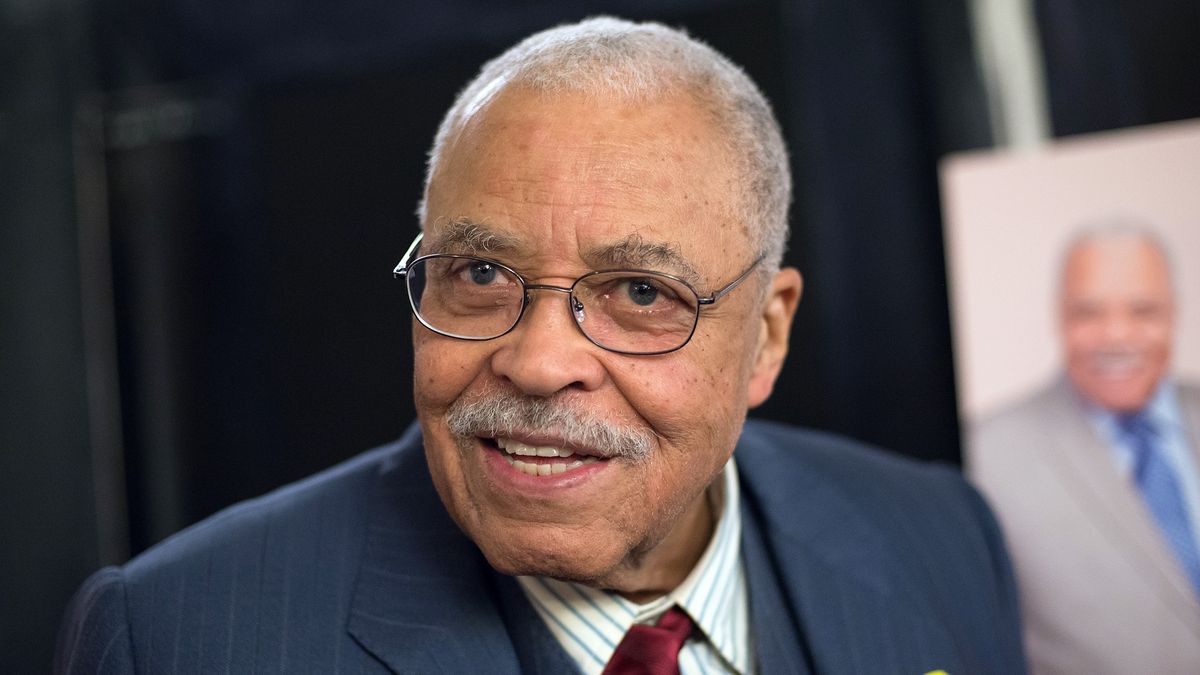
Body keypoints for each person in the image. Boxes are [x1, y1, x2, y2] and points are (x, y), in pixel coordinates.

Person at [57, 17, 1025, 674]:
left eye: (641, 293)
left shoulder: (942, 537)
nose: (536, 360)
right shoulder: (183, 637)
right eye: (479, 275)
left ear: (765, 337)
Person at [969, 225, 1200, 674]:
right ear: (1060, 318)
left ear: (1174, 313)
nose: (1116, 335)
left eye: (1143, 310)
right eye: (1089, 313)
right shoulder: (987, 452)